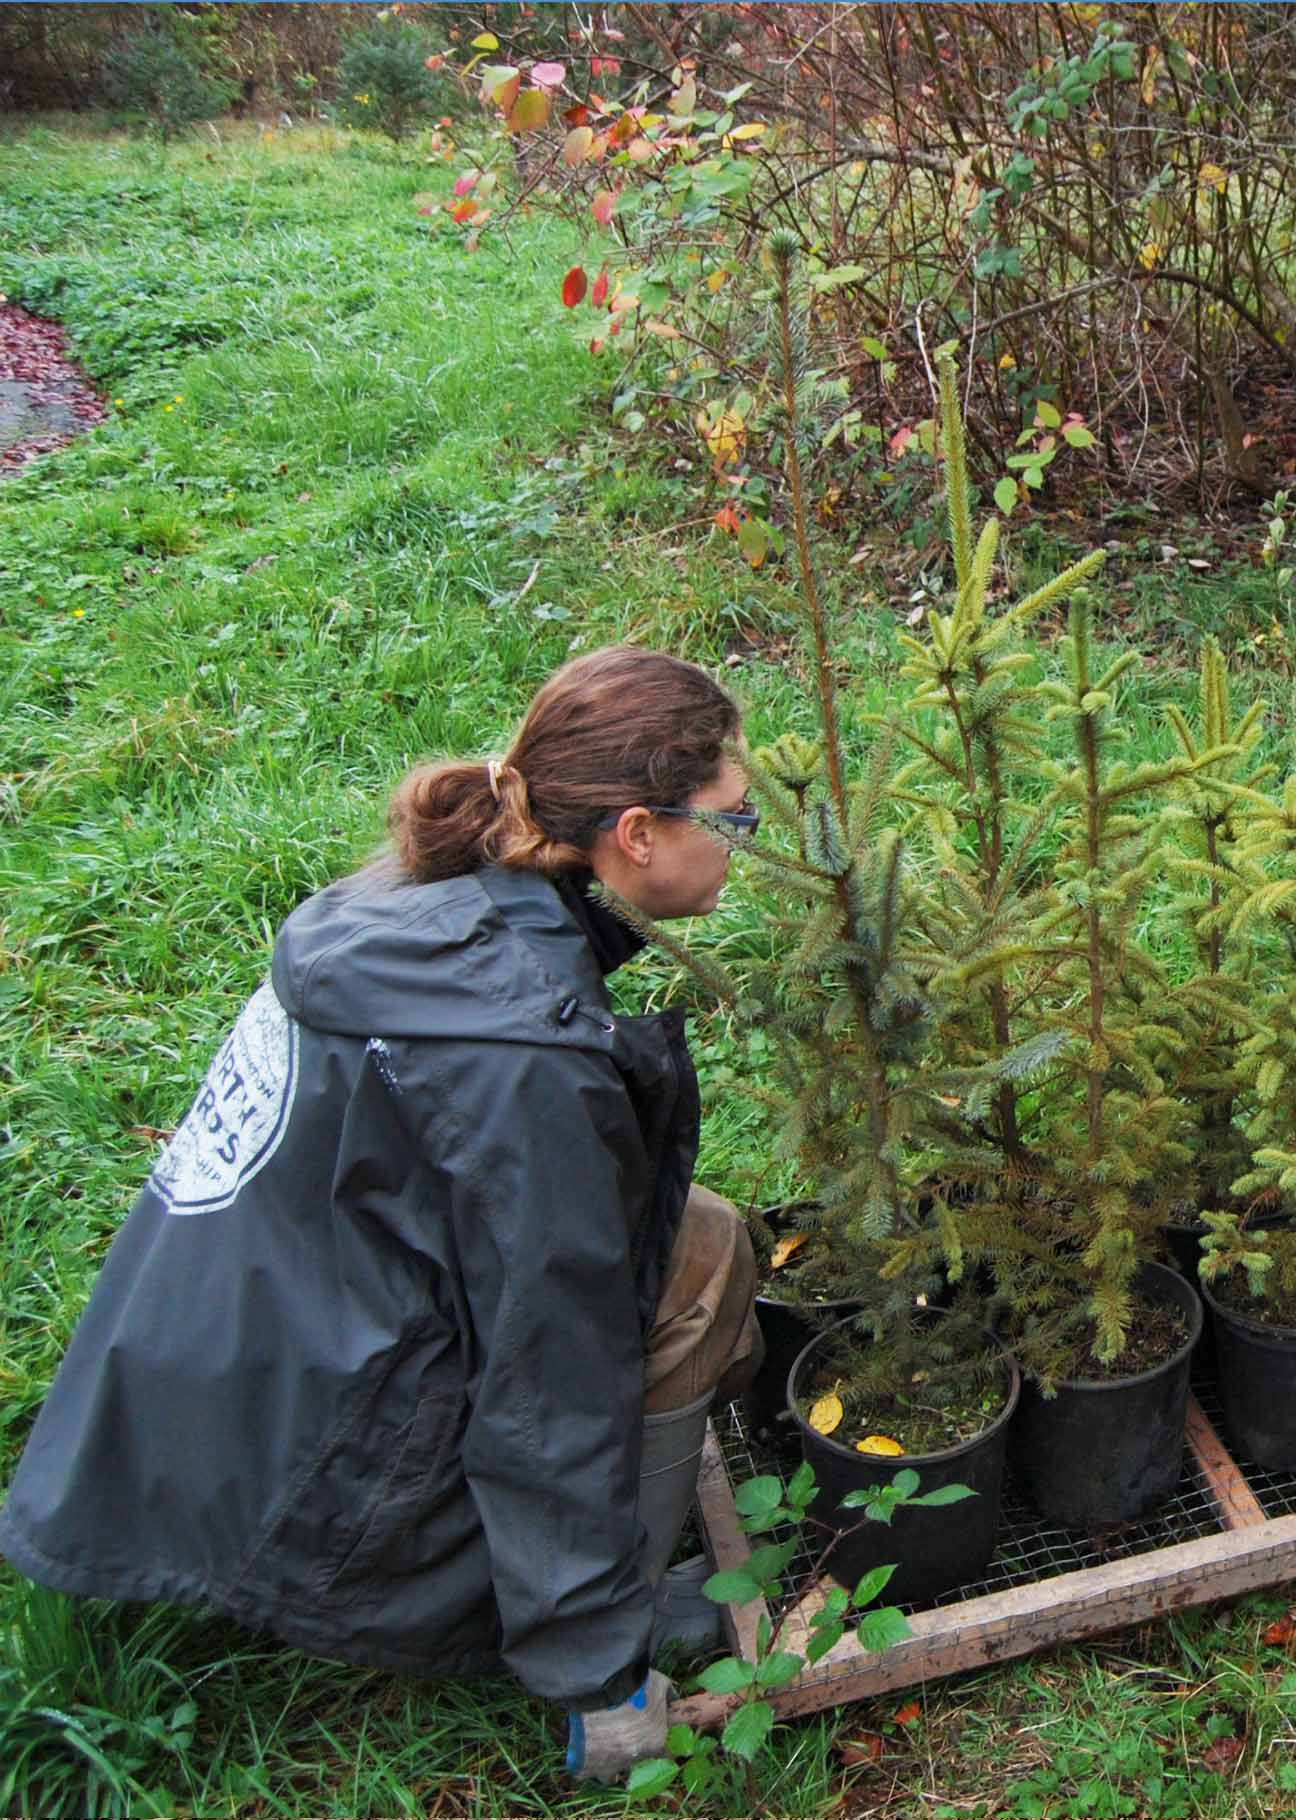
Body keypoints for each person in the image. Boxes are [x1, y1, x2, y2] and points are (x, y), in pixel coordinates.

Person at [0, 646, 764, 1783]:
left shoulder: (420, 895)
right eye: (733, 820)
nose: (745, 847)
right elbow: (544, 1373)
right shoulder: (520, 1060)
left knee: (672, 1227)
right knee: (702, 1261)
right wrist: (601, 1680)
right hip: (330, 1482)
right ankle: (603, 1626)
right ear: (637, 834)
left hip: (209, 1397)